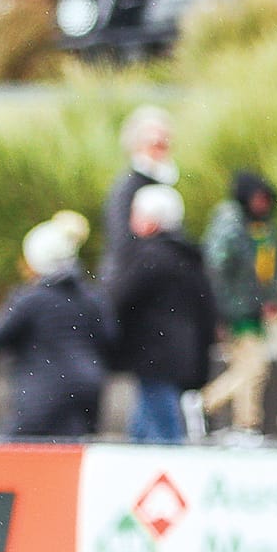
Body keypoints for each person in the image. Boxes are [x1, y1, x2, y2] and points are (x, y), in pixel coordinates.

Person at [0, 212, 111, 440]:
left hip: (44, 393)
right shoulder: (91, 296)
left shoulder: (31, 299)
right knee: (70, 460)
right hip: (88, 389)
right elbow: (109, 338)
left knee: (12, 456)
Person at [109, 185, 217, 445]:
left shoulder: (151, 256)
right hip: (181, 354)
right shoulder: (188, 256)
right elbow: (208, 308)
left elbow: (119, 297)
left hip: (154, 355)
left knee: (165, 433)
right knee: (145, 425)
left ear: (151, 220)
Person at [199, 171, 277, 443]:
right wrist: (218, 310)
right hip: (235, 311)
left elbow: (267, 268)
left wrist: (271, 296)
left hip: (252, 309)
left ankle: (245, 425)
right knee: (254, 367)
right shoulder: (230, 223)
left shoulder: (259, 227)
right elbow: (216, 269)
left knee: (251, 368)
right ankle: (207, 403)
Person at [100, 105, 175, 293]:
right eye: (155, 144)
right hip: (131, 286)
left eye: (165, 144)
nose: (161, 151)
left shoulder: (162, 184)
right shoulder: (127, 189)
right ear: (137, 145)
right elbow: (123, 244)